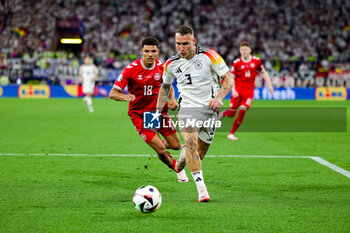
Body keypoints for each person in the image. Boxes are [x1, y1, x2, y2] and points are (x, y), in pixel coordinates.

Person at [156, 25, 237, 202]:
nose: (181, 48)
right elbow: (165, 86)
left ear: (194, 41)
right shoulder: (171, 63)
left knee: (200, 152)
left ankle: (185, 152)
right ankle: (202, 190)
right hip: (187, 109)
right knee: (191, 142)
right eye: (178, 44)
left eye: (185, 43)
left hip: (210, 110)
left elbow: (229, 79)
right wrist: (157, 111)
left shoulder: (210, 56)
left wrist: (219, 98)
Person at [109, 37, 189, 182]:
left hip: (158, 113)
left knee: (176, 146)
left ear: (157, 52)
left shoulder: (162, 67)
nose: (150, 54)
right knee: (161, 150)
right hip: (140, 115)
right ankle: (177, 168)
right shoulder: (131, 69)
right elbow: (113, 93)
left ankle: (159, 145)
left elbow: (167, 85)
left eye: (153, 51)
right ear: (142, 52)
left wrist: (172, 99)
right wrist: (124, 96)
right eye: (147, 51)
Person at [219, 41, 274, 140]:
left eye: (245, 49)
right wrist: (234, 90)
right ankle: (223, 113)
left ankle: (231, 133)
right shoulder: (236, 63)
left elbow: (264, 72)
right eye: (242, 50)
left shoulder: (256, 61)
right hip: (237, 91)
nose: (244, 51)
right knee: (231, 114)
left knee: (243, 109)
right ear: (240, 51)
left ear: (250, 50)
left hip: (248, 92)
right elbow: (232, 77)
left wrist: (269, 84)